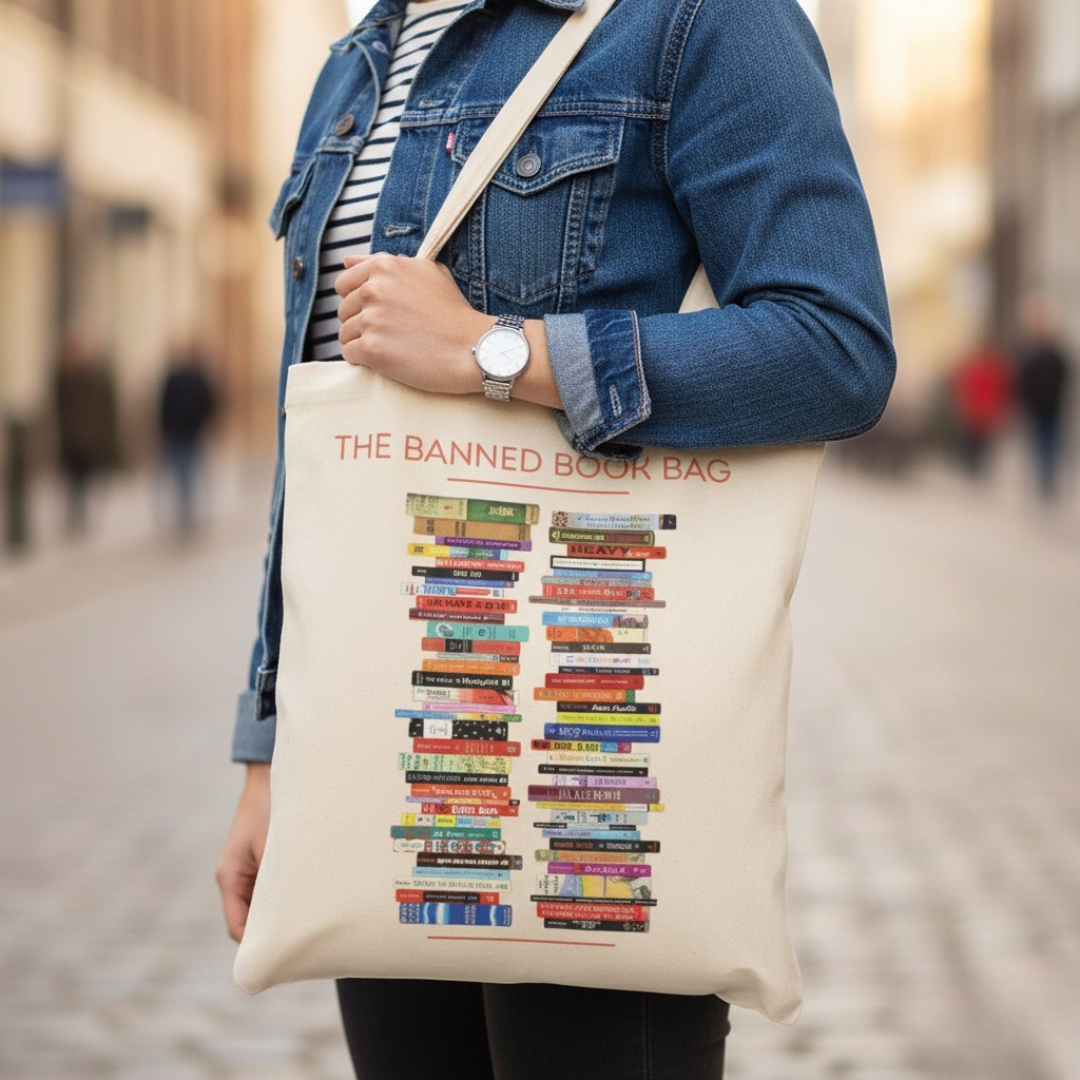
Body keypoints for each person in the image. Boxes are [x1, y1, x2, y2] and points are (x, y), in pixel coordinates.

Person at [216, 1, 896, 1076]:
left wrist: (500, 353)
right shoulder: (365, 54)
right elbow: (324, 445)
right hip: (381, 744)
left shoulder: (700, 18)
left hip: (586, 723)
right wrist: (268, 753)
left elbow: (834, 343)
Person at [53, 330, 120, 537]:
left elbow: (107, 409)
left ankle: (84, 516)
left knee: (87, 479)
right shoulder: (64, 377)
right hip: (72, 440)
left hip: (91, 439)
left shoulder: (97, 378)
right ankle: (76, 516)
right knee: (73, 481)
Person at [1014, 295, 1071, 502]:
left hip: (1053, 407)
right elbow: (1022, 379)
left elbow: (1065, 375)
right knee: (1038, 444)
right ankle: (1042, 480)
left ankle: (1049, 481)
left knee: (1052, 444)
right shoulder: (1029, 352)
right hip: (1035, 407)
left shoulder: (1055, 353)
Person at [158, 341, 217, 536]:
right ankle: (184, 511)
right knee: (180, 472)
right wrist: (163, 429)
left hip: (193, 432)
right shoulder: (173, 379)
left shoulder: (198, 378)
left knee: (190, 472)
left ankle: (188, 510)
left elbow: (209, 402)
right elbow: (163, 405)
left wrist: (206, 425)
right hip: (176, 433)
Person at [949, 339, 1013, 481]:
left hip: (979, 411)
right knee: (977, 442)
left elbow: (1001, 391)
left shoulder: (984, 369)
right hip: (980, 411)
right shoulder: (989, 369)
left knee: (978, 442)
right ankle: (975, 468)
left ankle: (975, 468)